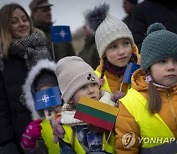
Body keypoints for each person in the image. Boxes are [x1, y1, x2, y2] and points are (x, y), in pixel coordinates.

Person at [115, 23, 177, 154]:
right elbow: (126, 149)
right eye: (162, 61)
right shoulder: (131, 104)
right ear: (148, 67)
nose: (171, 67)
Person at [0, 3, 51, 154]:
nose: (22, 24)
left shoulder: (45, 50)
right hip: (21, 139)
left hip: (54, 131)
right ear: (5, 26)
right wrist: (7, 144)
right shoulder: (2, 61)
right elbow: (1, 109)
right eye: (14, 21)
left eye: (24, 19)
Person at [54, 56, 116, 154]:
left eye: (93, 84)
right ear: (70, 98)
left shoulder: (115, 110)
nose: (91, 91)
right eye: (83, 87)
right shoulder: (65, 128)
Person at [85, 3, 140, 101]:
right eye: (113, 46)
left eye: (126, 43)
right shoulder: (94, 79)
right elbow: (83, 111)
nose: (122, 51)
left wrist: (128, 100)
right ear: (103, 53)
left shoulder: (146, 69)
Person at [20, 59, 63, 154]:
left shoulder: (74, 109)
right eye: (41, 92)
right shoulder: (39, 125)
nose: (47, 96)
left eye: (51, 90)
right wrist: (30, 145)